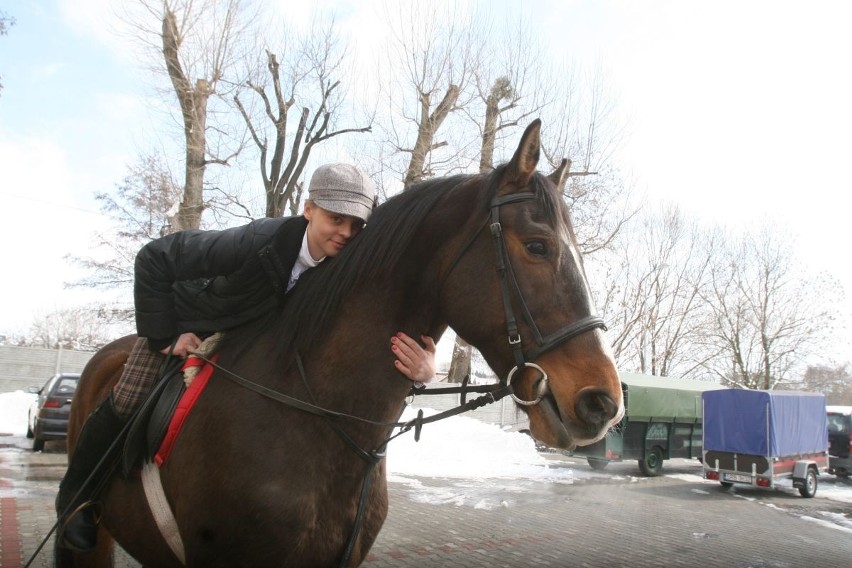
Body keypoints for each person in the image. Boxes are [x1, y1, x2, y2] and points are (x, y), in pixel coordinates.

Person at [56, 163, 437, 552]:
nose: (345, 233)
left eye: (356, 225)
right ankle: (75, 500)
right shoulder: (258, 240)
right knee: (128, 399)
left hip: (254, 339)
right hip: (193, 323)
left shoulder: (346, 267)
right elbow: (154, 257)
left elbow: (368, 334)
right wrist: (164, 334)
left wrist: (422, 371)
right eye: (335, 218)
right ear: (309, 209)